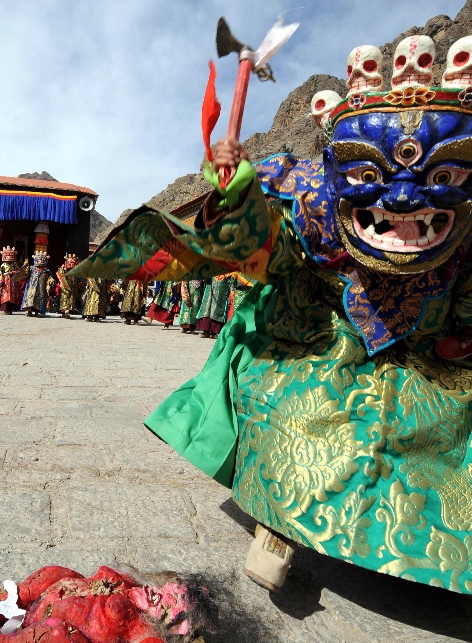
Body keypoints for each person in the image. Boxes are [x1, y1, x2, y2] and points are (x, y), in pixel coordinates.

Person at [72, 35, 472, 595]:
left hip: (434, 350)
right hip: (325, 336)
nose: (404, 199)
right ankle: (278, 523)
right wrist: (238, 200)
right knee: (292, 405)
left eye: (443, 177)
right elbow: (265, 247)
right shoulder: (310, 195)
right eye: (368, 175)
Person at [20, 251, 54, 317]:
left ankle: (37, 312)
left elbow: (49, 278)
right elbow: (25, 275)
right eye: (39, 260)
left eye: (42, 260)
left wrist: (51, 280)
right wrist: (25, 268)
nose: (40, 262)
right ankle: (29, 311)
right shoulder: (32, 268)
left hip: (41, 288)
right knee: (30, 299)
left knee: (40, 300)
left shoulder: (46, 271)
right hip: (31, 287)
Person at [0, 247, 26, 314]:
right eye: (7, 256)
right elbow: (1, 273)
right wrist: (6, 275)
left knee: (12, 296)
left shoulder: (14, 265)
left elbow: (17, 272)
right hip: (6, 281)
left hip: (13, 282)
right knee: (5, 295)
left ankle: (9, 309)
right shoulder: (3, 265)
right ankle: (4, 309)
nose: (9, 258)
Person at [56, 253, 82, 318]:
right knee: (64, 299)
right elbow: (60, 275)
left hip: (72, 289)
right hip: (65, 288)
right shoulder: (64, 270)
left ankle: (67, 311)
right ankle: (63, 312)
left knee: (70, 300)